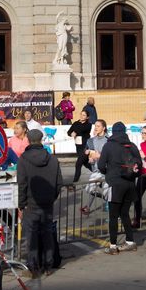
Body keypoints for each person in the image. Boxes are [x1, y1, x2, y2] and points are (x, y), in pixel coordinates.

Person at [16, 129, 63, 276]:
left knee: (32, 237)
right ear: (41, 140)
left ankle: (34, 267)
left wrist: (21, 204)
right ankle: (48, 265)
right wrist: (51, 197)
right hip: (47, 203)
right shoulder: (52, 159)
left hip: (31, 203)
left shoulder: (23, 159)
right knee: (47, 234)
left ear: (28, 140)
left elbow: (22, 184)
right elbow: (59, 183)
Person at [98, 122, 142, 253]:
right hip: (130, 184)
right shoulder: (132, 145)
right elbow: (139, 165)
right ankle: (130, 242)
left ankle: (113, 246)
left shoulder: (108, 146)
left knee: (113, 216)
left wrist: (108, 173)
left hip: (115, 183)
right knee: (125, 214)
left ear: (113, 132)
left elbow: (101, 165)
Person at [66, 113, 93, 183]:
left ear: (87, 117)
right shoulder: (75, 123)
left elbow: (82, 130)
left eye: (84, 115)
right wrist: (71, 134)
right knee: (85, 163)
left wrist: (75, 131)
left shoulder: (88, 124)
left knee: (78, 164)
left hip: (85, 146)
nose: (81, 116)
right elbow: (69, 132)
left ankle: (75, 182)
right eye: (81, 114)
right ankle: (98, 172)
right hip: (78, 147)